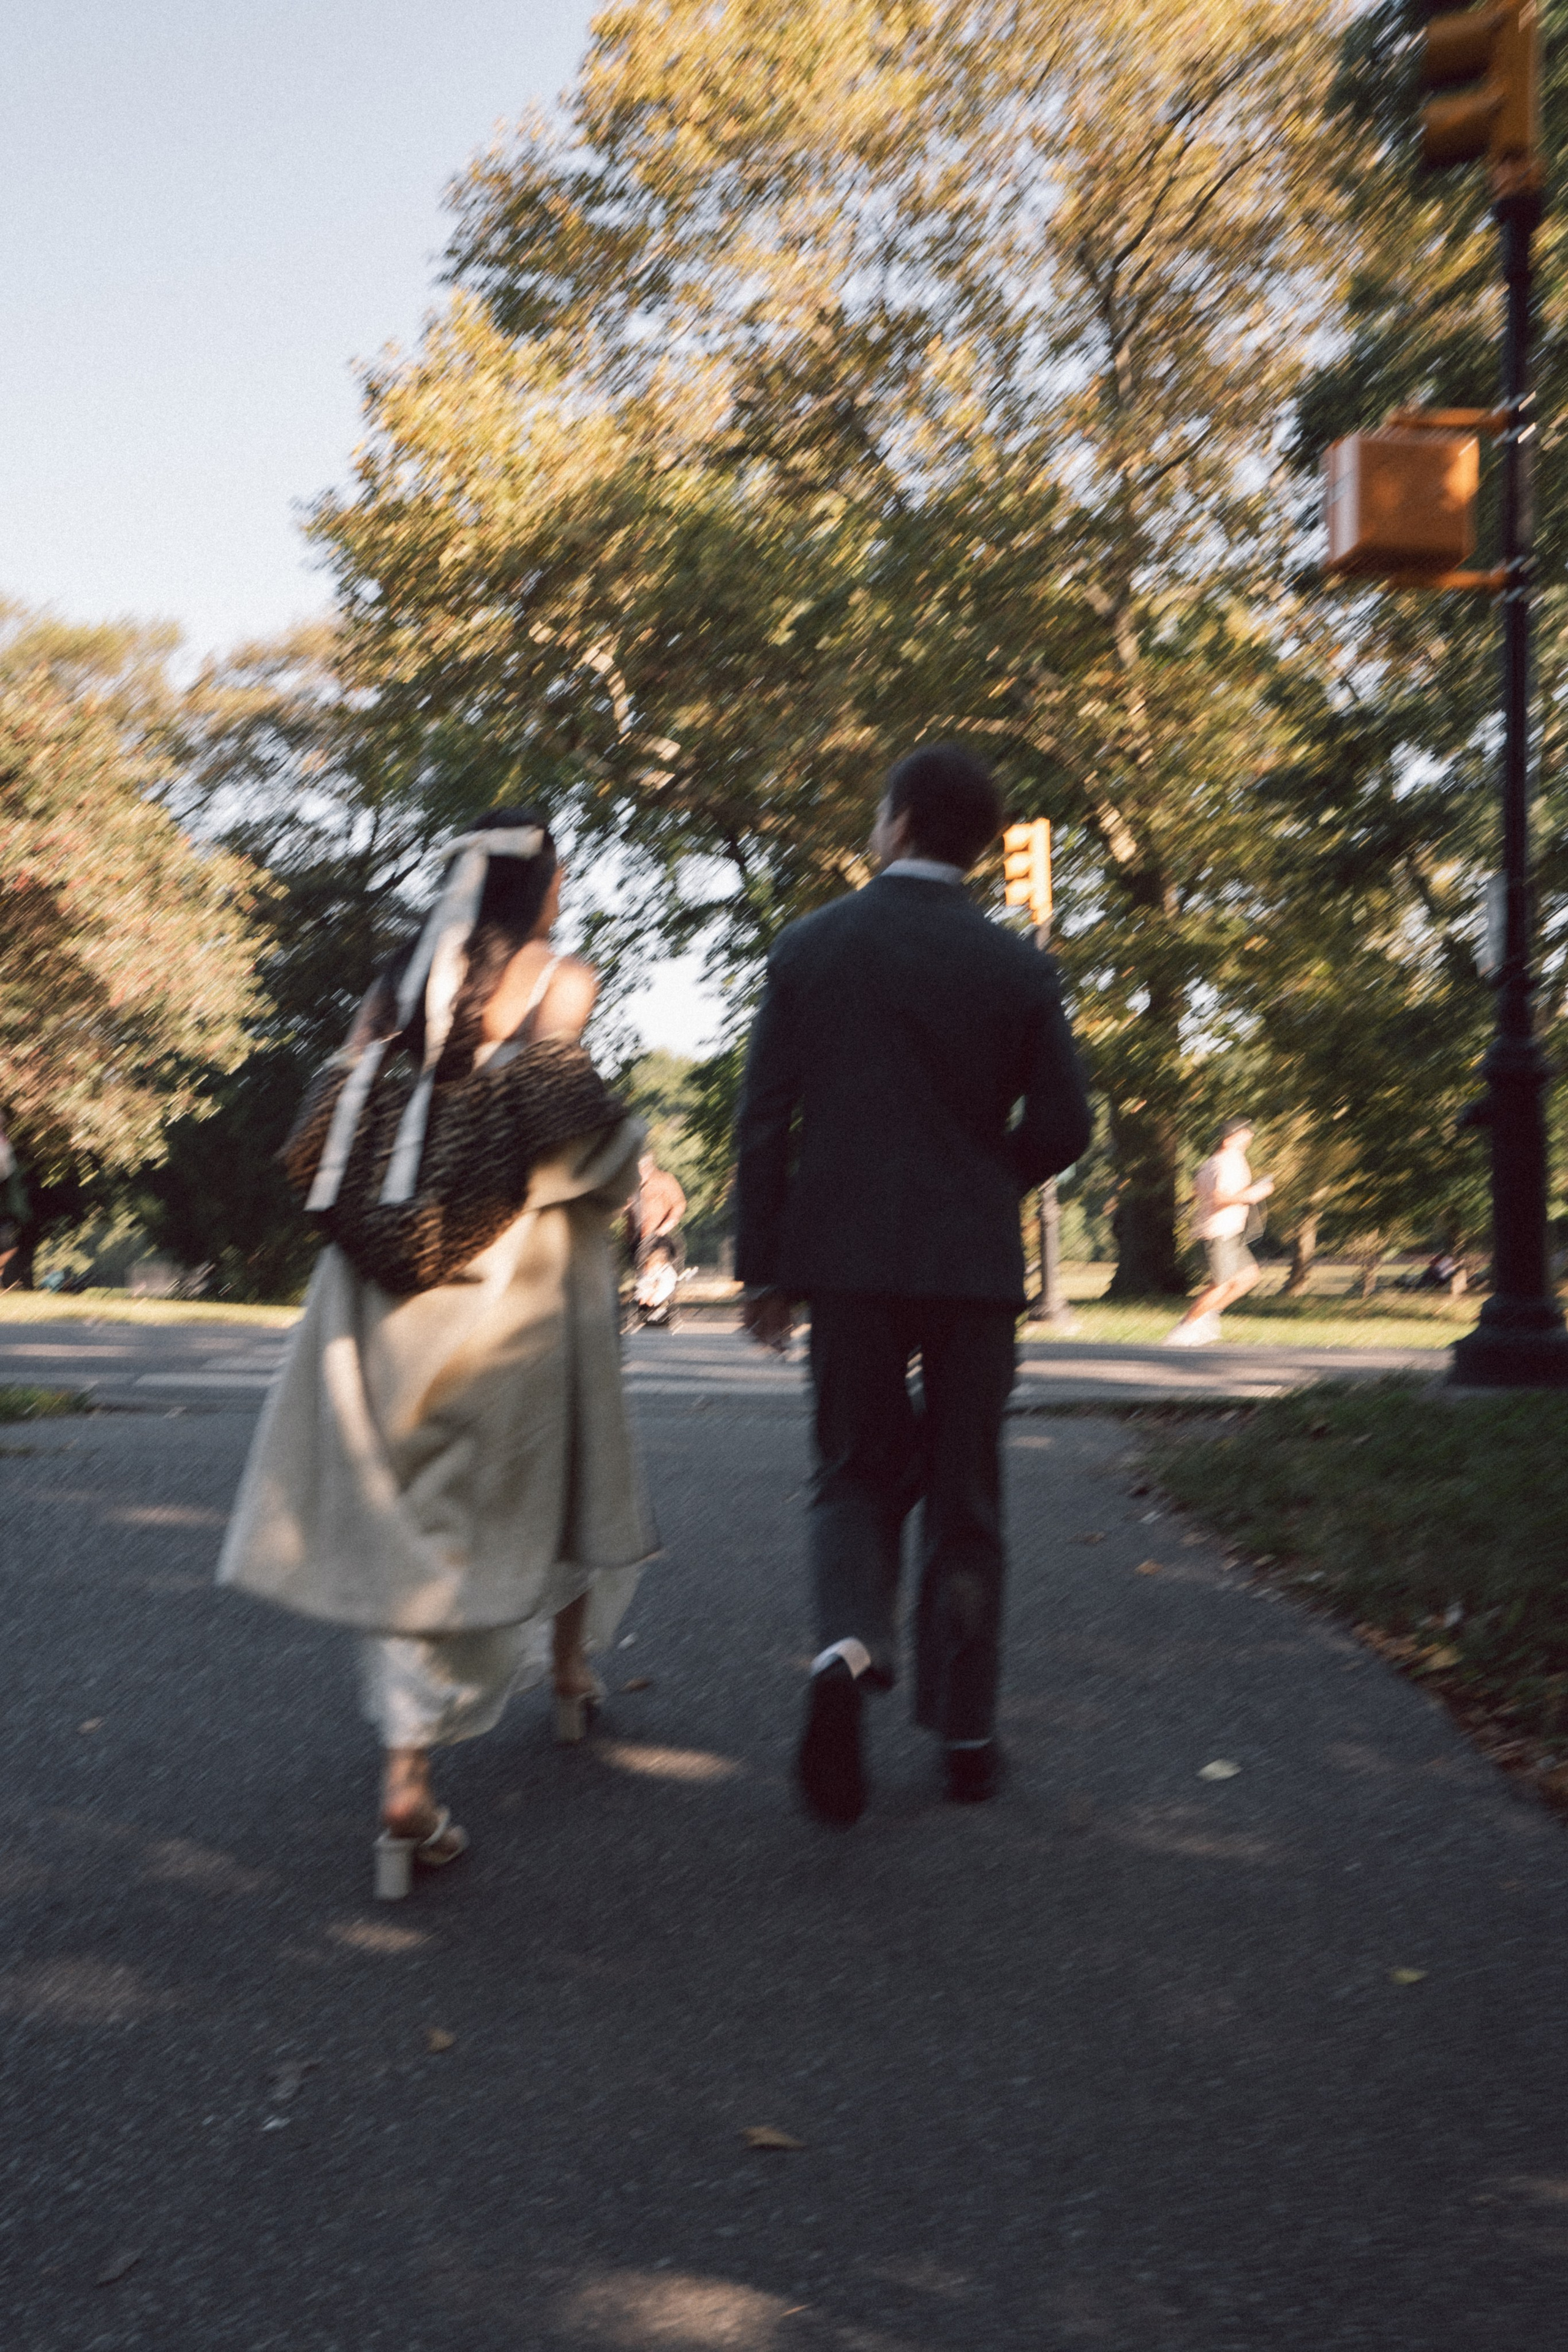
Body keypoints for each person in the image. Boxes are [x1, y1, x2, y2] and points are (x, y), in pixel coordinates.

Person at [217, 810, 656, 1896]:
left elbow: (332, 1126)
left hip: (375, 1296)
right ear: (537, 889)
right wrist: (647, 1177)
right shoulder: (560, 981)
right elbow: (578, 1143)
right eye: (559, 874)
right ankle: (556, 1681)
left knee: (414, 1525)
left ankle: (418, 1770)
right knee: (554, 1482)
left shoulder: (393, 985)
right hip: (518, 1288)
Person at [733, 744, 1091, 1825]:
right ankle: (967, 1737)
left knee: (851, 1469)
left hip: (844, 1260)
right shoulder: (1018, 965)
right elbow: (1065, 1125)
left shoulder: (810, 947)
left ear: (895, 823)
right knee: (966, 1490)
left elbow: (763, 1122)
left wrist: (765, 1269)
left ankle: (846, 1650)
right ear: (980, 844)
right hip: (972, 1265)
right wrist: (986, 1178)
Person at [1164, 1116, 1275, 1347]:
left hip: (1230, 1231)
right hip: (1219, 1231)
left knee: (1248, 1276)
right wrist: (1253, 1195)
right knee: (1221, 1283)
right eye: (1244, 1133)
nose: (1250, 1135)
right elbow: (1218, 1198)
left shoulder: (1223, 1161)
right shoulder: (1224, 1163)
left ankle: (1207, 1318)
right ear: (1228, 1140)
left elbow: (1200, 1192)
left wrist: (1251, 1190)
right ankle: (1184, 1329)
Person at [627, 1152, 687, 1270]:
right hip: (639, 1241)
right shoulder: (632, 1185)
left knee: (658, 1268)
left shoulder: (665, 1180)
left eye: (644, 1167)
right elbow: (625, 1210)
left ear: (650, 1165)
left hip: (660, 1238)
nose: (641, 1171)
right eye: (639, 1168)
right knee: (644, 1274)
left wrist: (669, 1223)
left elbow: (680, 1204)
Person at [632, 1240, 679, 1329]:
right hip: (653, 1286)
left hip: (662, 1288)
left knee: (651, 1298)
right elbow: (646, 1280)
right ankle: (646, 1311)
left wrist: (653, 1291)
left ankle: (652, 1312)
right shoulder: (653, 1268)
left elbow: (665, 1285)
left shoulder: (667, 1272)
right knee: (643, 1295)